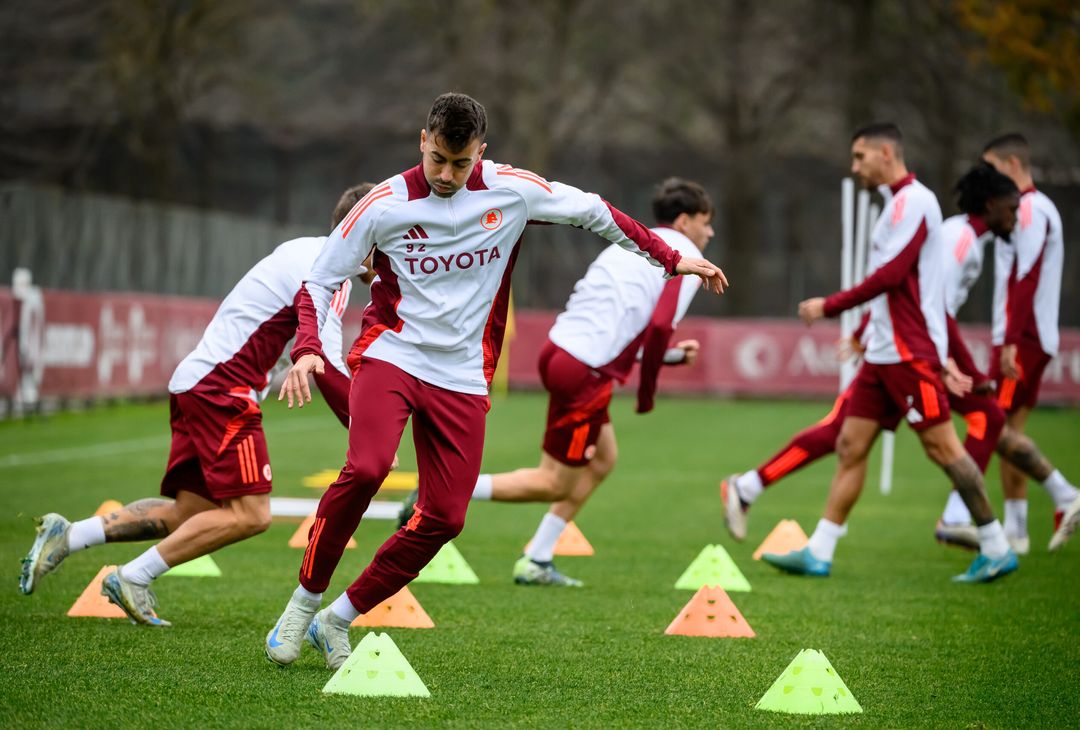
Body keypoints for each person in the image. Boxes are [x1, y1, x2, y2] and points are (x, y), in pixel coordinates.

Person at [265, 93, 728, 671]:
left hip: (461, 374)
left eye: (461, 164)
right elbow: (319, 279)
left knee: (445, 519)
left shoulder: (511, 189)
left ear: (481, 153)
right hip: (394, 355)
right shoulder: (383, 203)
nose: (446, 175)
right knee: (366, 468)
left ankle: (339, 618)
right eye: (437, 159)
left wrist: (668, 257)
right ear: (423, 141)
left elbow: (594, 211)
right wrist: (308, 347)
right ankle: (301, 606)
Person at [18, 184, 372, 625]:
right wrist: (369, 435)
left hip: (196, 381)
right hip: (222, 388)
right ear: (365, 232)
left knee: (191, 512)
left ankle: (68, 535)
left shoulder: (306, 252)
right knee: (252, 514)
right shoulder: (324, 271)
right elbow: (329, 365)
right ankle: (132, 576)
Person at [721, 163, 1079, 554]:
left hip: (906, 349)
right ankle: (976, 526)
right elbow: (930, 303)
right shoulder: (960, 241)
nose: (1017, 218)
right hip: (907, 354)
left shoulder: (959, 235)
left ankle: (778, 512)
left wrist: (867, 333)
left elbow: (913, 294)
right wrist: (963, 366)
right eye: (1012, 209)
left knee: (849, 439)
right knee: (974, 421)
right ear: (991, 205)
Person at [400, 177, 714, 587]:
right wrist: (648, 392)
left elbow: (623, 326)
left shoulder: (634, 244)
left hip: (561, 352)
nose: (709, 233)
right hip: (585, 370)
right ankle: (438, 493)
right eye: (707, 223)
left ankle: (538, 556)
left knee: (602, 460)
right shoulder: (685, 257)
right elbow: (657, 327)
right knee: (553, 482)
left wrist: (668, 357)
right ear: (687, 221)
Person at [759, 123, 1016, 583]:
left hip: (908, 353)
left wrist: (830, 306)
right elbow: (889, 285)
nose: (854, 166)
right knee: (849, 445)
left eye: (860, 157)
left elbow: (891, 276)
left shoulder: (915, 201)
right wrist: (862, 332)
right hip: (883, 354)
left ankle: (996, 545)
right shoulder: (895, 206)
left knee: (944, 448)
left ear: (884, 152)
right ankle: (819, 550)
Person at [982, 133, 1079, 554]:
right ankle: (1017, 532)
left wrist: (1009, 341)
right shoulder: (1021, 209)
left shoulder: (1031, 209)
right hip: (1027, 336)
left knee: (990, 424)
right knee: (1010, 434)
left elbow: (1026, 277)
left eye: (992, 168)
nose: (987, 177)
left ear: (1013, 165)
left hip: (1023, 338)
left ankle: (1066, 494)